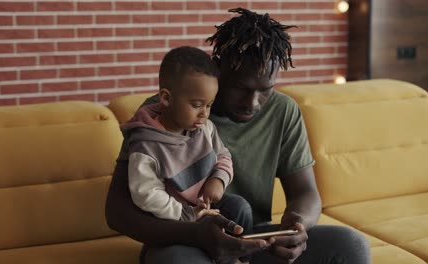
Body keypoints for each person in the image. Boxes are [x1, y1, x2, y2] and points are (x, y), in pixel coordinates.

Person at [106, 8, 371, 264]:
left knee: (350, 245)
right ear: (217, 68)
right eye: (241, 88)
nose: (252, 103)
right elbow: (117, 212)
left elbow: (306, 194)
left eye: (265, 90)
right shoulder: (163, 113)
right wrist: (195, 232)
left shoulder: (283, 111)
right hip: (183, 239)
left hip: (253, 239)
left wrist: (296, 226)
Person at [120, 46, 253, 239]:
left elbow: (223, 155)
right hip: (174, 218)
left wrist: (218, 179)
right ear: (166, 98)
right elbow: (146, 194)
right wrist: (187, 214)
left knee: (240, 207)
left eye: (209, 105)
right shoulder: (146, 145)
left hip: (207, 206)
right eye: (197, 105)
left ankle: (242, 257)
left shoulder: (205, 128)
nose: (204, 114)